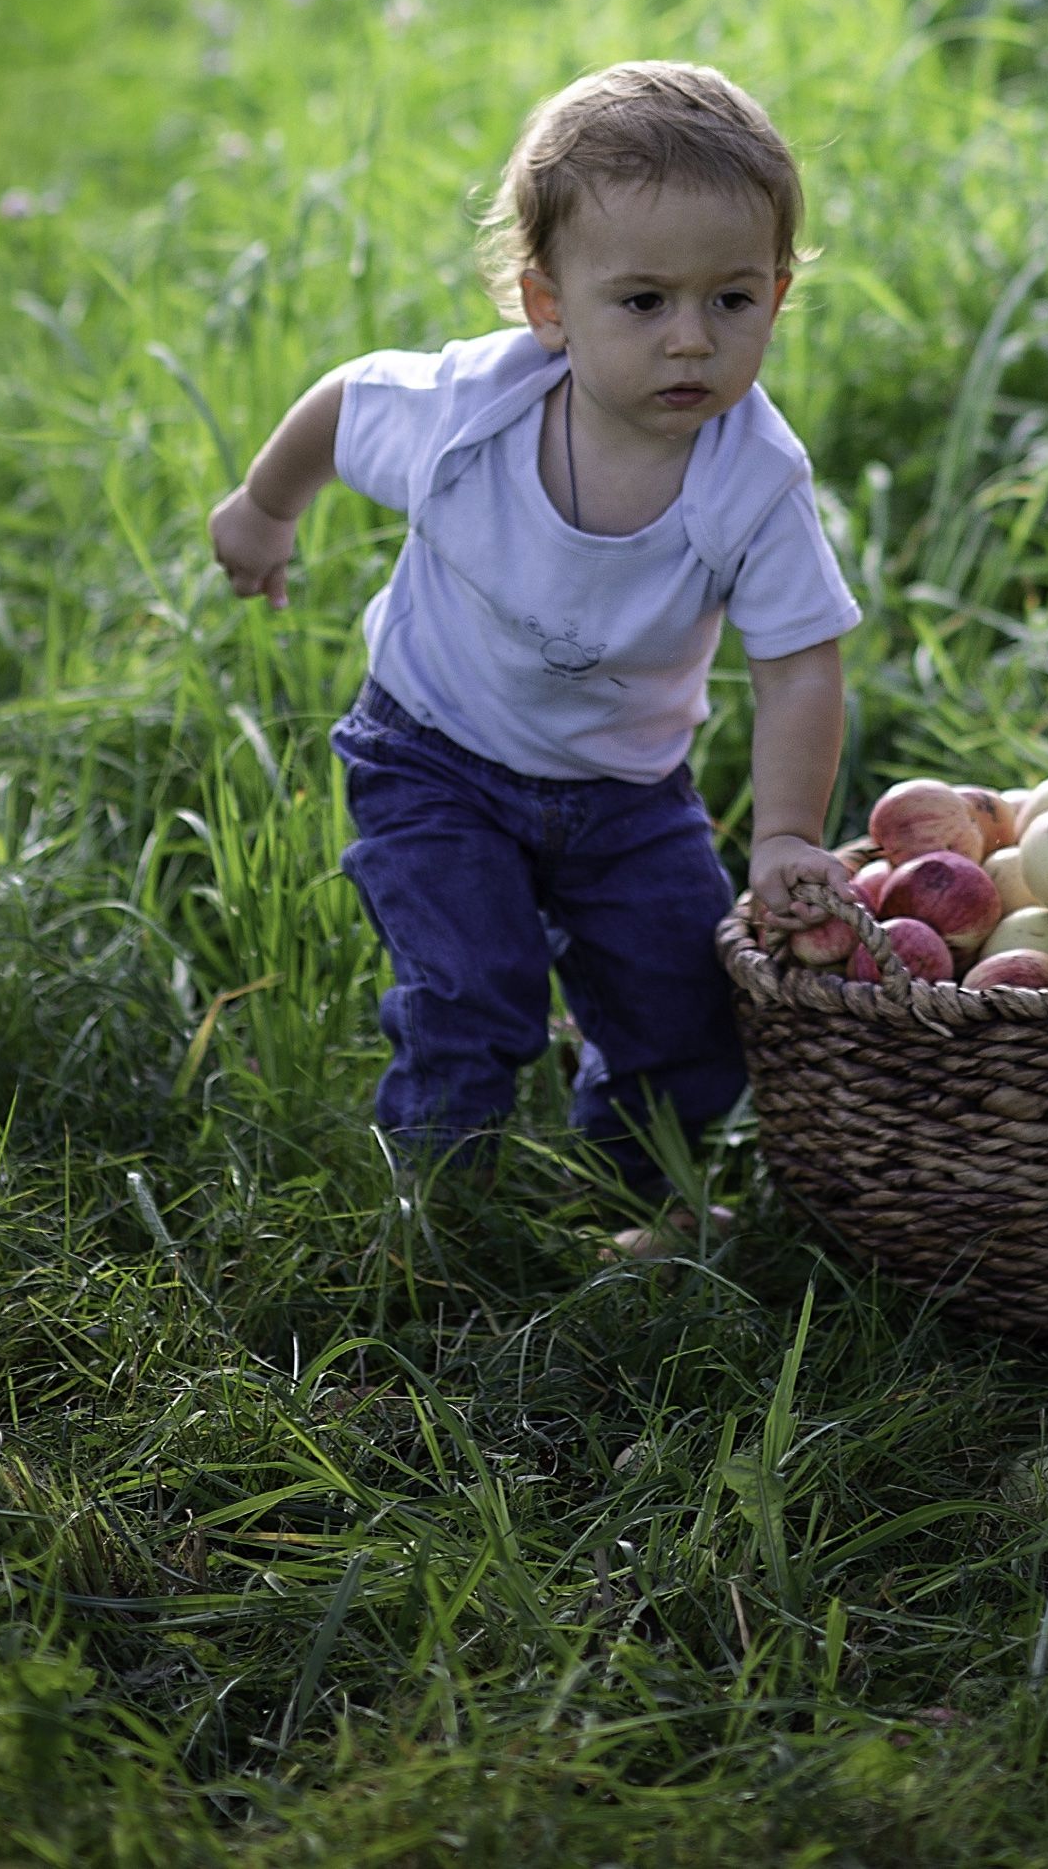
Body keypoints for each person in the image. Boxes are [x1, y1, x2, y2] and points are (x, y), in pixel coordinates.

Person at [207, 61, 859, 1207]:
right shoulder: (476, 413)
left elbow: (799, 664)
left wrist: (788, 836)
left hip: (626, 790)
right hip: (434, 753)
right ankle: (437, 1201)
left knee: (691, 1012)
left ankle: (625, 1191)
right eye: (644, 301)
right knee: (475, 986)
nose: (692, 342)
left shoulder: (755, 478)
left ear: (778, 289)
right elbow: (346, 402)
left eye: (733, 300)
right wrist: (265, 510)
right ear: (550, 305)